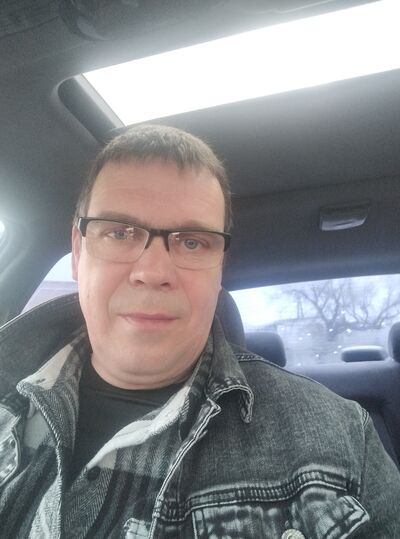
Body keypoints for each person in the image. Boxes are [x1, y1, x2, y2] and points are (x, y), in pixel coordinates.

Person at [0, 124, 399, 538]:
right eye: (119, 232)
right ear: (78, 251)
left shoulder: (340, 442)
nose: (153, 271)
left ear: (220, 268)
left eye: (192, 242)